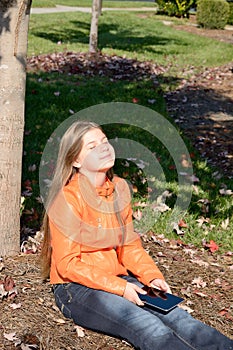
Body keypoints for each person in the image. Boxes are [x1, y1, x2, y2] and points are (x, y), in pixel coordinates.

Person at [40, 120, 233, 350]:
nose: (103, 148)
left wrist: (151, 276)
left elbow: (129, 246)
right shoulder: (67, 199)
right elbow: (68, 265)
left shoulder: (120, 188)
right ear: (76, 160)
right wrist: (121, 288)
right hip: (75, 288)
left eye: (104, 141)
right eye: (92, 146)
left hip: (119, 280)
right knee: (149, 327)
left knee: (179, 318)